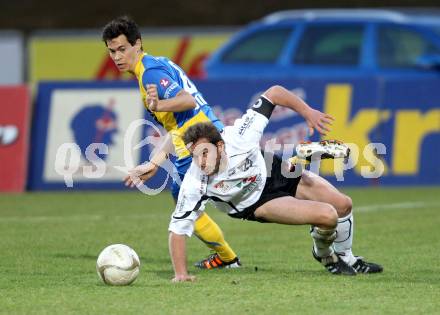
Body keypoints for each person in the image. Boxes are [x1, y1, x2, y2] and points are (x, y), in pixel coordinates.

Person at [167, 85, 383, 282]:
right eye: (194, 156)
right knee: (328, 216)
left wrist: (307, 112)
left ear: (221, 146)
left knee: (343, 204)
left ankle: (348, 258)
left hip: (273, 170)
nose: (200, 162)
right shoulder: (195, 181)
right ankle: (325, 255)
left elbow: (274, 93)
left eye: (204, 153)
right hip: (256, 202)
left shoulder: (241, 135)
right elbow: (177, 229)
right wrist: (181, 274)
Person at [102, 16, 241, 269]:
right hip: (198, 137)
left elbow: (187, 101)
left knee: (198, 203)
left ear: (137, 44)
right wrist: (155, 162)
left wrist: (159, 105)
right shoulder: (155, 65)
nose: (117, 56)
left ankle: (224, 259)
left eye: (122, 49)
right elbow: (175, 123)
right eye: (112, 51)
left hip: (197, 143)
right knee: (192, 199)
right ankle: (227, 257)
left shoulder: (150, 73)